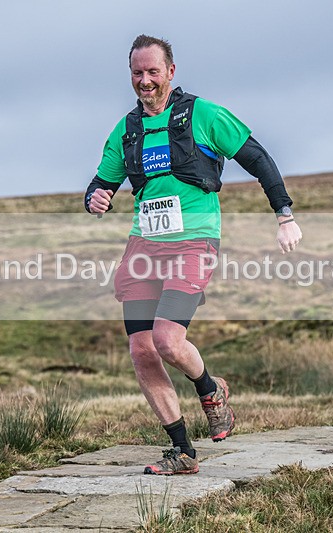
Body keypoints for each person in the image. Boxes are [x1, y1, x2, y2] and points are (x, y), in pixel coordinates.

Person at [84, 35, 302, 475]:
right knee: (142, 350)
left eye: (152, 71)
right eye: (137, 73)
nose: (144, 80)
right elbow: (101, 182)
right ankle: (182, 450)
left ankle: (209, 388)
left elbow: (258, 158)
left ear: (171, 71)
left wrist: (284, 215)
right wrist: (96, 198)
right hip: (145, 244)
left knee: (167, 340)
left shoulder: (203, 115)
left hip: (193, 242)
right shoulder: (126, 130)